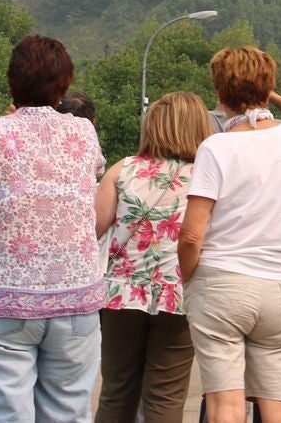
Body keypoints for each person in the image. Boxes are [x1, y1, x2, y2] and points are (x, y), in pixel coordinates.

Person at [0, 35, 106, 422]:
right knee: (68, 412)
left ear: (11, 81)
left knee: (3, 415)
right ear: (63, 84)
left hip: (2, 300)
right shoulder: (84, 134)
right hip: (76, 298)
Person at [178, 46, 281, 423]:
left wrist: (188, 277)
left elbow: (193, 235)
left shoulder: (216, 147)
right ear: (269, 86)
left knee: (226, 403)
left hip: (222, 283)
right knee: (279, 403)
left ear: (220, 93)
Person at [94, 91, 210, 423]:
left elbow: (93, 230)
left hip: (120, 296)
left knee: (116, 392)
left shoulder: (122, 170)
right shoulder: (207, 176)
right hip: (179, 295)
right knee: (165, 398)